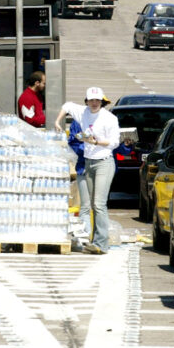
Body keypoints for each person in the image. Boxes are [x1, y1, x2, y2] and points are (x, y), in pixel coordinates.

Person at [54, 87, 120, 254]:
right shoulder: (83, 112)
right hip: (88, 162)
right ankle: (94, 241)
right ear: (87, 101)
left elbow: (114, 142)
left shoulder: (109, 118)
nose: (94, 103)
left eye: (97, 100)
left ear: (102, 101)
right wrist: (57, 121)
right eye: (91, 100)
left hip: (104, 162)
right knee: (90, 204)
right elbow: (67, 105)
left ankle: (101, 244)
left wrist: (96, 142)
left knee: (99, 204)